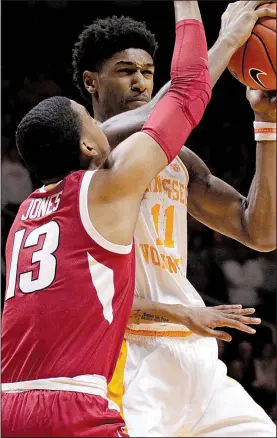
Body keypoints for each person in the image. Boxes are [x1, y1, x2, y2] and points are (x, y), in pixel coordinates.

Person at [1, 2, 213, 436]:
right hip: (75, 399)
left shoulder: (25, 217)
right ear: (89, 147)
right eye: (87, 120)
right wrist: (212, 21)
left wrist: (177, 312)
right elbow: (189, 89)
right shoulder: (102, 190)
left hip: (9, 402)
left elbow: (90, 300)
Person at [72, 0, 276, 436]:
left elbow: (258, 230)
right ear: (91, 82)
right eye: (126, 71)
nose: (141, 82)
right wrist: (227, 41)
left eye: (148, 72)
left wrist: (266, 122)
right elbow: (163, 112)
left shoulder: (178, 159)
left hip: (195, 353)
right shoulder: (83, 149)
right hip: (128, 354)